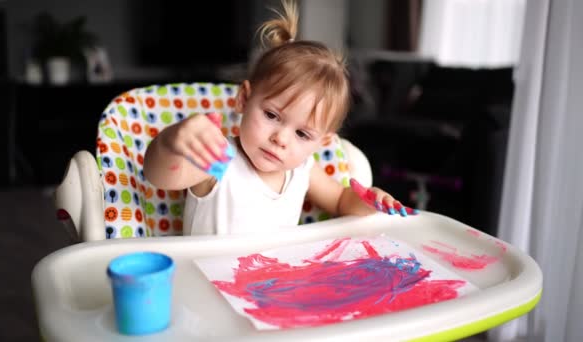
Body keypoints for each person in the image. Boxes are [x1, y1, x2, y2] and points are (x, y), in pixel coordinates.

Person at [143, 0, 416, 235]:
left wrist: (369, 202)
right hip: (206, 287)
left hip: (270, 290)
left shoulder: (302, 169)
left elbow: (342, 201)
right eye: (272, 115)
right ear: (244, 99)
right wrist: (172, 143)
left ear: (322, 142)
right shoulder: (218, 158)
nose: (280, 138)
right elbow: (160, 176)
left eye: (302, 134)